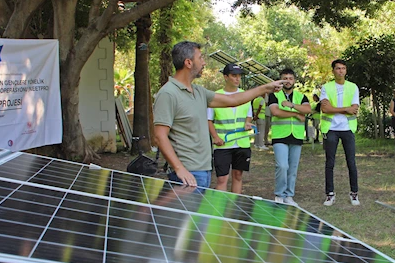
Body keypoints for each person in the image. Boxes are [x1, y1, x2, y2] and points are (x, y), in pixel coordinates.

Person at [153, 41, 283, 189]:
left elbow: (232, 100)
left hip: (204, 170)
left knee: (198, 212)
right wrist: (179, 168)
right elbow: (159, 136)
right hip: (186, 173)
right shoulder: (168, 93)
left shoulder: (198, 91)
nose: (204, 63)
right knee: (186, 213)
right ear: (188, 63)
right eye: (200, 58)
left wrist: (266, 88)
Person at [208, 64, 255, 193]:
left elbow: (249, 115)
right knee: (222, 179)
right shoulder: (215, 96)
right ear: (225, 77)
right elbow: (209, 120)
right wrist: (215, 137)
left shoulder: (245, 95)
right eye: (234, 75)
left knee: (238, 176)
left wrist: (247, 123)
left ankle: (235, 208)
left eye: (239, 76)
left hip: (242, 143)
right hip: (223, 144)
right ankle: (218, 210)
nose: (237, 79)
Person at [320, 59, 361, 206]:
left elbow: (354, 108)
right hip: (331, 128)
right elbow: (325, 109)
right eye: (337, 68)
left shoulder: (353, 87)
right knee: (330, 162)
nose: (340, 71)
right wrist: (345, 109)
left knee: (351, 162)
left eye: (343, 68)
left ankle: (354, 193)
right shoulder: (326, 87)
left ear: (346, 70)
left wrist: (335, 108)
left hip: (348, 129)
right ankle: (330, 194)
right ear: (333, 71)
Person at [269, 68, 311, 205]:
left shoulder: (301, 96)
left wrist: (291, 105)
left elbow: (307, 110)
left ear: (294, 80)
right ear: (280, 80)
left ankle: (289, 195)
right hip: (280, 136)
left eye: (290, 78)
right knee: (282, 166)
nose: (288, 81)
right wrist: (295, 114)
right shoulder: (274, 95)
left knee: (293, 168)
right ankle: (279, 194)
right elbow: (275, 111)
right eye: (285, 78)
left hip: (296, 136)